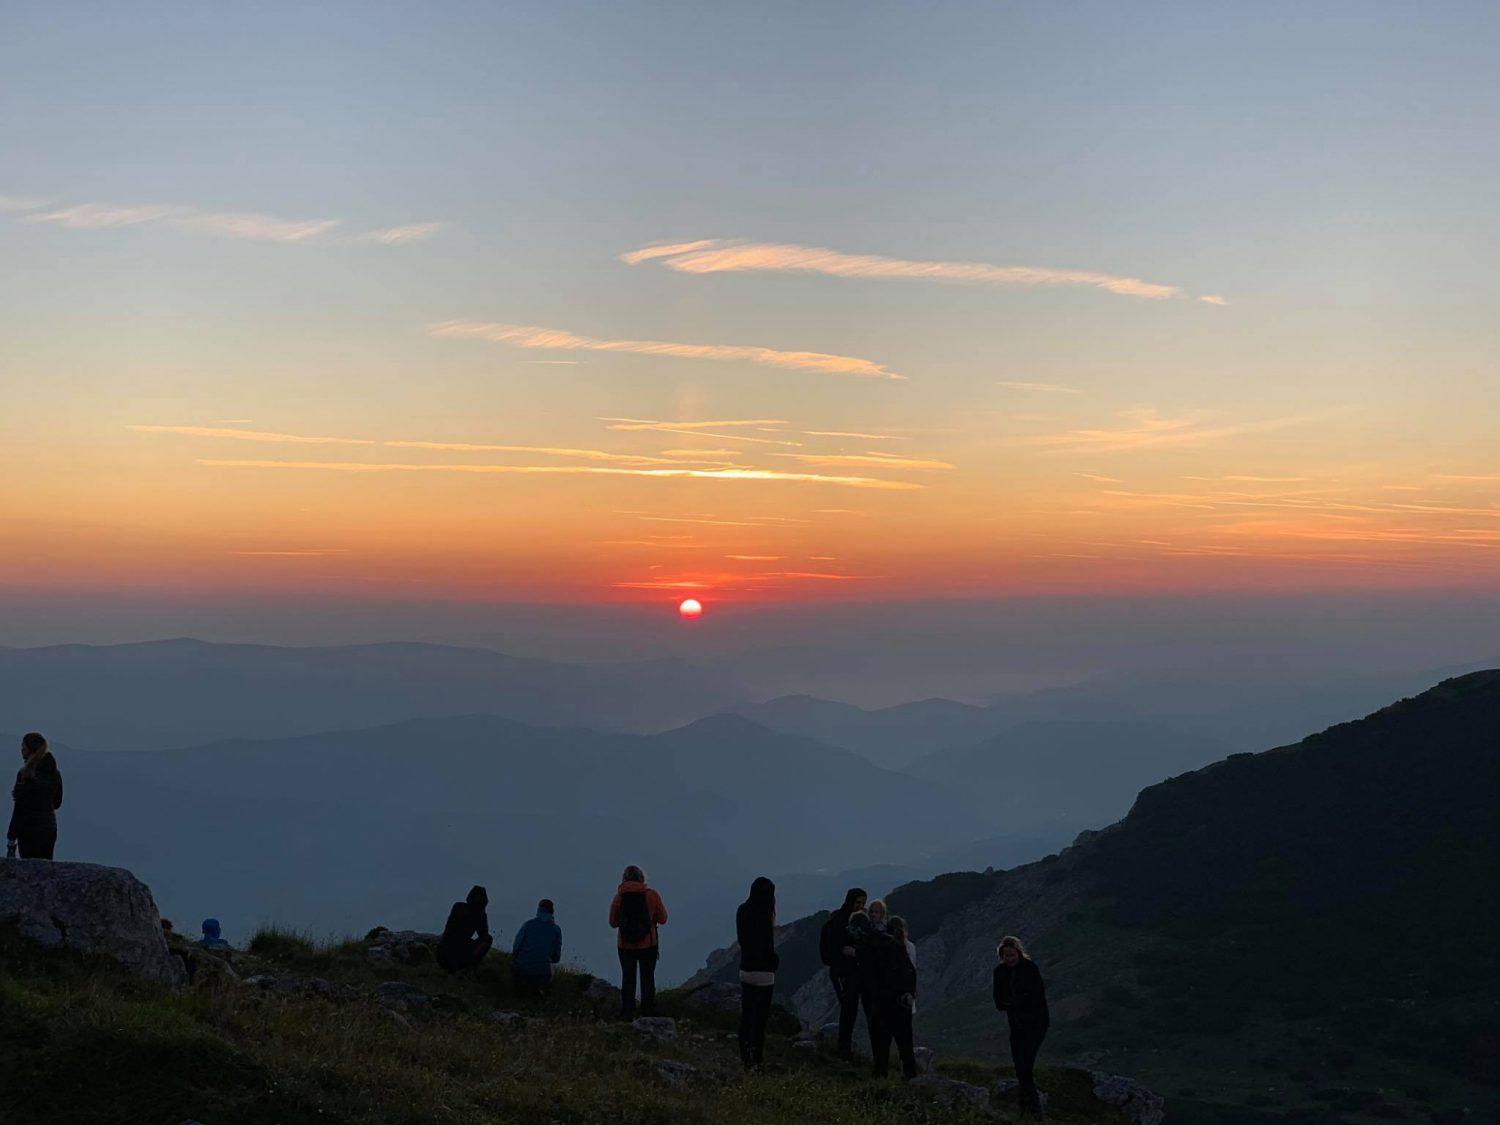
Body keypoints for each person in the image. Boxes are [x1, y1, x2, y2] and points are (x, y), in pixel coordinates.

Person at [851, 910, 918, 1080]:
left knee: (880, 1046)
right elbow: (910, 970)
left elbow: (867, 978)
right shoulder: (892, 942)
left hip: (881, 1003)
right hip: (901, 1002)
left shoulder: (864, 947)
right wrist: (909, 994)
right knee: (905, 1045)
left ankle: (880, 1082)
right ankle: (913, 1080)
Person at [993, 935, 1050, 1115]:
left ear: (1018, 953)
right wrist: (1017, 1002)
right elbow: (999, 1001)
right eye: (1006, 956)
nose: (1009, 959)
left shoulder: (1030, 968)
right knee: (1020, 1065)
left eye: (1012, 955)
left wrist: (1014, 1002)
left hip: (1035, 1024)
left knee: (1025, 1065)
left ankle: (1034, 1109)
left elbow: (1036, 997)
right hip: (1017, 1024)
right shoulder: (1000, 972)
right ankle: (1026, 1106)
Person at [609, 865, 668, 1018]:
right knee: (647, 977)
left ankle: (627, 1012)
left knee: (628, 977)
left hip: (625, 945)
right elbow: (663, 919)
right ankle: (648, 1010)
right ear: (642, 878)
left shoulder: (619, 897)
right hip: (648, 943)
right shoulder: (651, 895)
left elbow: (613, 922)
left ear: (624, 878)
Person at [818, 886, 867, 1060]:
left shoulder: (848, 919)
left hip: (849, 972)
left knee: (850, 1008)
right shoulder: (840, 921)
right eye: (858, 902)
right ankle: (844, 1048)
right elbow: (828, 946)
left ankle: (844, 1047)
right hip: (842, 972)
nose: (860, 906)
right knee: (848, 1008)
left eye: (863, 903)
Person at [735, 876, 779, 1071]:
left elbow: (742, 940)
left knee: (747, 1014)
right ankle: (756, 1059)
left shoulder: (742, 910)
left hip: (746, 969)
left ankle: (744, 1055)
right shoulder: (766, 913)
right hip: (765, 973)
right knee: (760, 1019)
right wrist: (774, 962)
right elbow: (767, 946)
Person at [6, 733, 62, 861]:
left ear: (30, 751)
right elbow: (57, 802)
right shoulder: (55, 773)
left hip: (28, 830)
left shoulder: (25, 774)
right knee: (46, 869)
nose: (21, 751)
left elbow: (19, 809)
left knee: (29, 871)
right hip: (49, 828)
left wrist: (11, 836)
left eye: (23, 748)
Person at [511, 898, 563, 996]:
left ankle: (520, 988)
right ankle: (540, 991)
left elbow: (516, 946)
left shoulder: (528, 925)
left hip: (521, 968)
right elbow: (556, 958)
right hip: (541, 972)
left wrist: (515, 960)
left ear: (538, 910)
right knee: (548, 968)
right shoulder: (556, 930)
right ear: (552, 912)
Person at [436, 885, 493, 973]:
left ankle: (465, 967)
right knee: (488, 939)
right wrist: (482, 915)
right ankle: (469, 968)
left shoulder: (458, 906)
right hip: (453, 955)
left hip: (442, 954)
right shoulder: (476, 914)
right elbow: (484, 935)